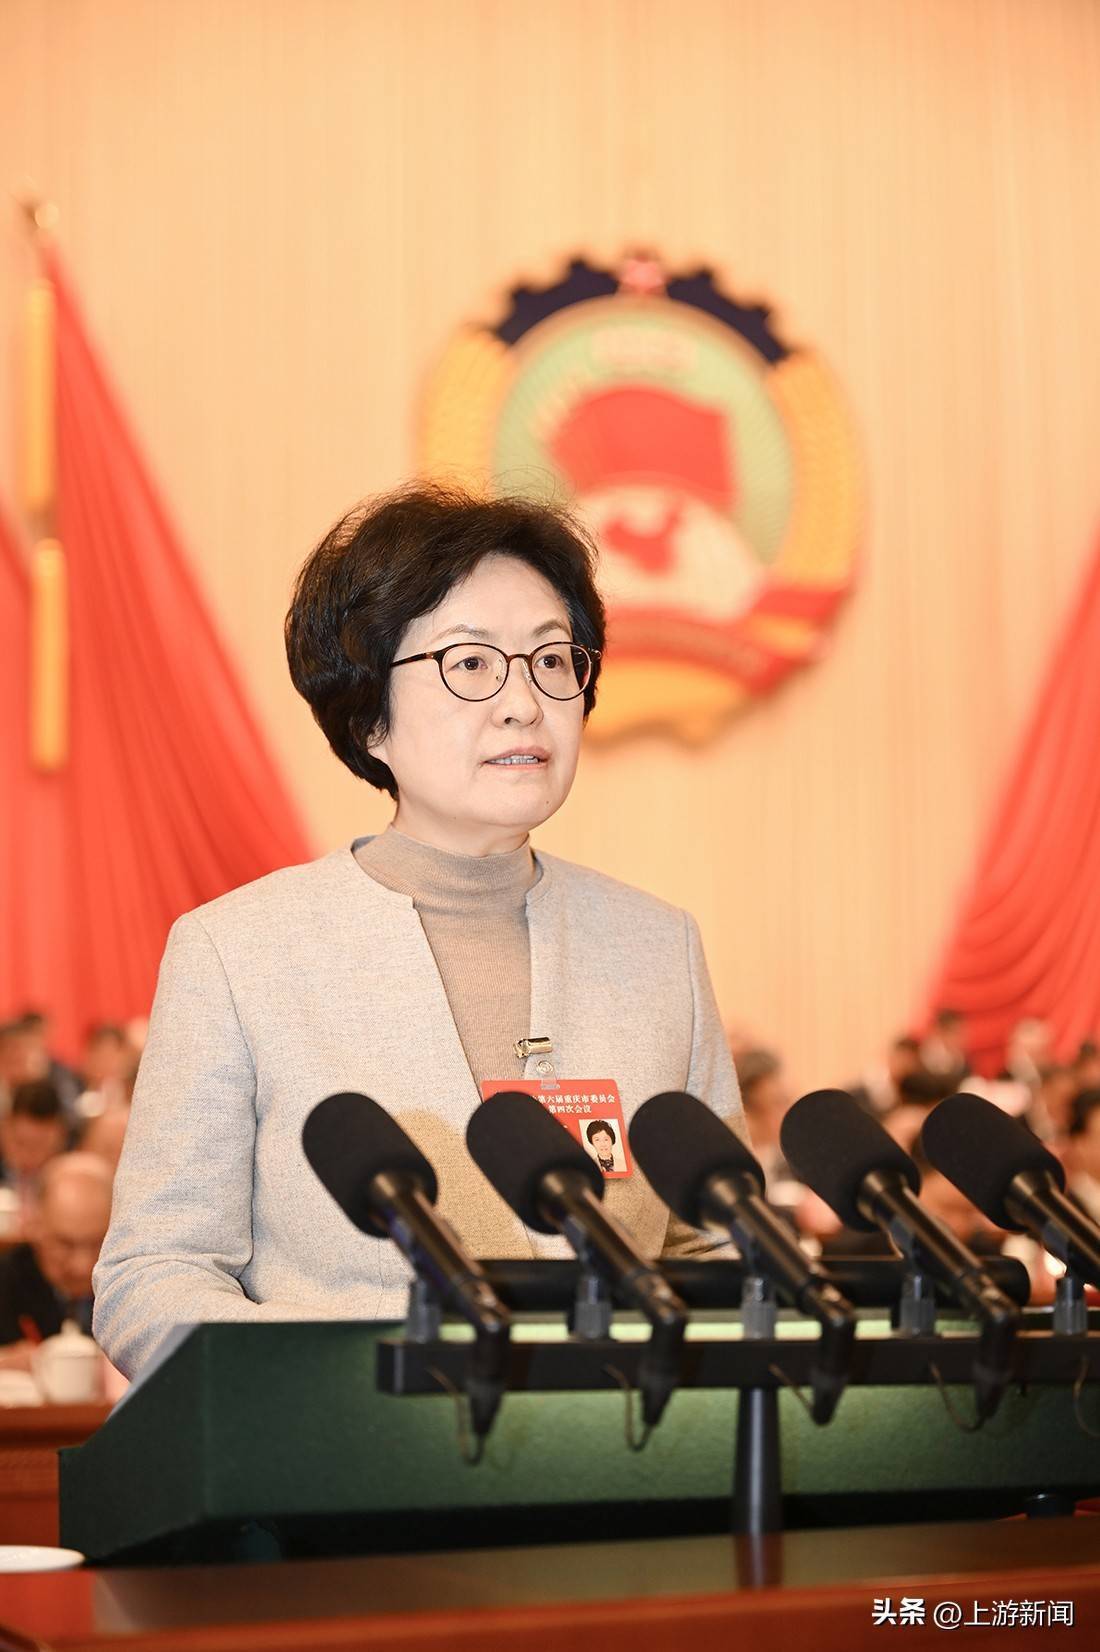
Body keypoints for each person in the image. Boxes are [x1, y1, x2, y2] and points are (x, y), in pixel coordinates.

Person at [93, 484, 744, 1377]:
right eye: (471, 663)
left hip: (616, 1444)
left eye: (551, 659)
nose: (523, 703)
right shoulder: (239, 953)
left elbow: (712, 1248)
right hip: (349, 1445)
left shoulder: (657, 945)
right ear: (370, 717)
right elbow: (155, 1273)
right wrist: (327, 1388)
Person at [0, 1153, 114, 1368]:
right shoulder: (6, 1280)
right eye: (65, 1244)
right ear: (33, 1225)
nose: (82, 1266)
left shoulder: (134, 1284)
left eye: (98, 1243)